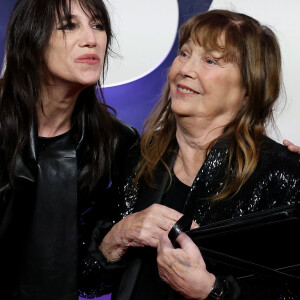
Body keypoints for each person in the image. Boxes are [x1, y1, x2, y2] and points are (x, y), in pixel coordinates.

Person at [80, 9, 300, 300]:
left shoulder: (283, 175)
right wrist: (117, 238)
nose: (186, 69)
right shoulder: (139, 158)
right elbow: (87, 282)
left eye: (210, 61)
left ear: (250, 87)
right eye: (184, 53)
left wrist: (213, 291)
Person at [0, 0, 139, 299]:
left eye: (98, 26)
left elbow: (93, 279)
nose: (91, 39)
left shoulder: (117, 143)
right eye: (69, 25)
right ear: (32, 39)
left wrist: (113, 244)